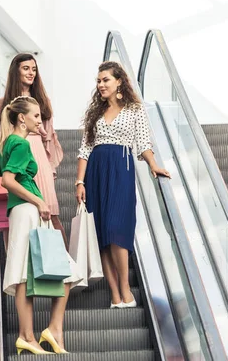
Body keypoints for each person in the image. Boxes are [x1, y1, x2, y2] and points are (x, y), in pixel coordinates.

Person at [0, 96, 72, 355]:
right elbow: (7, 180)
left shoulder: (6, 144)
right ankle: (41, 331)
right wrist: (39, 201)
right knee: (66, 273)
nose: (40, 121)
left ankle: (29, 335)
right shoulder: (21, 144)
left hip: (19, 211)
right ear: (22, 118)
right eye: (37, 116)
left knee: (22, 275)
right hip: (29, 210)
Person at [75, 61, 170, 308]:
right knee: (102, 234)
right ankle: (115, 295)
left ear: (119, 81)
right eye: (98, 81)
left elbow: (143, 142)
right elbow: (85, 149)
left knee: (118, 229)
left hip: (121, 169)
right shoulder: (95, 114)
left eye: (105, 79)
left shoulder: (134, 110)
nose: (101, 84)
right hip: (96, 171)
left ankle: (126, 290)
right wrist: (79, 181)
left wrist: (153, 165)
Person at [0, 53, 66, 250]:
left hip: (37, 160)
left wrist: (50, 167)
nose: (31, 73)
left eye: (34, 69)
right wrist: (10, 139)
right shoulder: (3, 104)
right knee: (11, 221)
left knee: (50, 216)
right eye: (26, 68)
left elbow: (49, 139)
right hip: (12, 159)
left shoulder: (42, 102)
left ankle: (63, 270)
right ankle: (16, 272)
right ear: (16, 71)